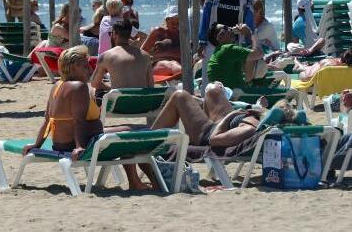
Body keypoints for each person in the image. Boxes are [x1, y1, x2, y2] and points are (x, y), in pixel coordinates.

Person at [22, 45, 154, 190]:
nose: (90, 70)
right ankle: (145, 181)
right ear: (73, 67)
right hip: (83, 143)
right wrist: (79, 147)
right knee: (140, 132)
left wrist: (37, 145)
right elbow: (79, 121)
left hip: (60, 144)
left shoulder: (57, 85)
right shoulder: (79, 87)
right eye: (85, 66)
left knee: (135, 131)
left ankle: (136, 180)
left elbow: (47, 119)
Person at [149, 83, 294, 148]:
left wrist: (232, 115)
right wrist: (259, 108)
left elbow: (214, 140)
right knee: (214, 89)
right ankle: (198, 103)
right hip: (226, 122)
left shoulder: (249, 129)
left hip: (206, 134)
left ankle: (150, 139)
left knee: (179, 96)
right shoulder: (261, 120)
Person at [198, 0, 254, 85]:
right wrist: (202, 42)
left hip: (234, 44)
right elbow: (205, 19)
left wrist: (248, 41)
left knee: (233, 78)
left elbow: (249, 24)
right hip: (214, 43)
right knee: (209, 80)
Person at [90, 18, 154, 92]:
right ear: (130, 35)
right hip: (141, 100)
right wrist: (131, 30)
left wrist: (111, 88)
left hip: (119, 101)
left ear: (114, 34)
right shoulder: (145, 55)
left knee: (92, 90)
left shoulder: (106, 56)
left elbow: (94, 84)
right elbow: (150, 86)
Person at [206, 22, 265, 90]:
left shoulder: (221, 51)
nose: (230, 28)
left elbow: (248, 77)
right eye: (225, 28)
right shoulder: (227, 49)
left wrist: (247, 36)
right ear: (220, 36)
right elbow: (259, 53)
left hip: (227, 95)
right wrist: (250, 33)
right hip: (231, 96)